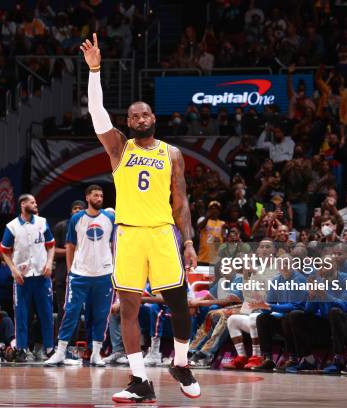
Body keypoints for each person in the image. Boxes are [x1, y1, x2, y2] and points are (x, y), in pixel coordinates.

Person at [82, 33, 200, 403]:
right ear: (129, 123)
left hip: (164, 233)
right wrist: (95, 70)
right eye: (132, 115)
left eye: (144, 113)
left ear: (154, 118)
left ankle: (181, 362)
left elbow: (180, 202)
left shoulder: (172, 154)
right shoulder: (119, 148)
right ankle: (139, 380)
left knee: (179, 305)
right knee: (128, 307)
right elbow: (97, 113)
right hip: (129, 235)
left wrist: (191, 242)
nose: (138, 118)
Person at [45, 185, 114, 367]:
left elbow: (115, 244)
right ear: (87, 198)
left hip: (104, 274)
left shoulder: (110, 218)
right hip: (80, 274)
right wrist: (70, 270)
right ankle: (60, 352)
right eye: (96, 195)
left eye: (101, 195)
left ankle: (96, 353)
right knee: (71, 312)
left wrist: (115, 266)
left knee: (101, 315)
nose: (99, 198)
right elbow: (70, 246)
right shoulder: (77, 218)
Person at [0, 194, 55, 363]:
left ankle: (49, 349)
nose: (35, 204)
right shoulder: (12, 226)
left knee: (46, 314)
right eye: (32, 202)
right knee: (22, 315)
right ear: (23, 204)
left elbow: (51, 245)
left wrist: (49, 263)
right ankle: (22, 349)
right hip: (22, 279)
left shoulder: (42, 222)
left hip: (41, 276)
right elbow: (4, 250)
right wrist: (13, 270)